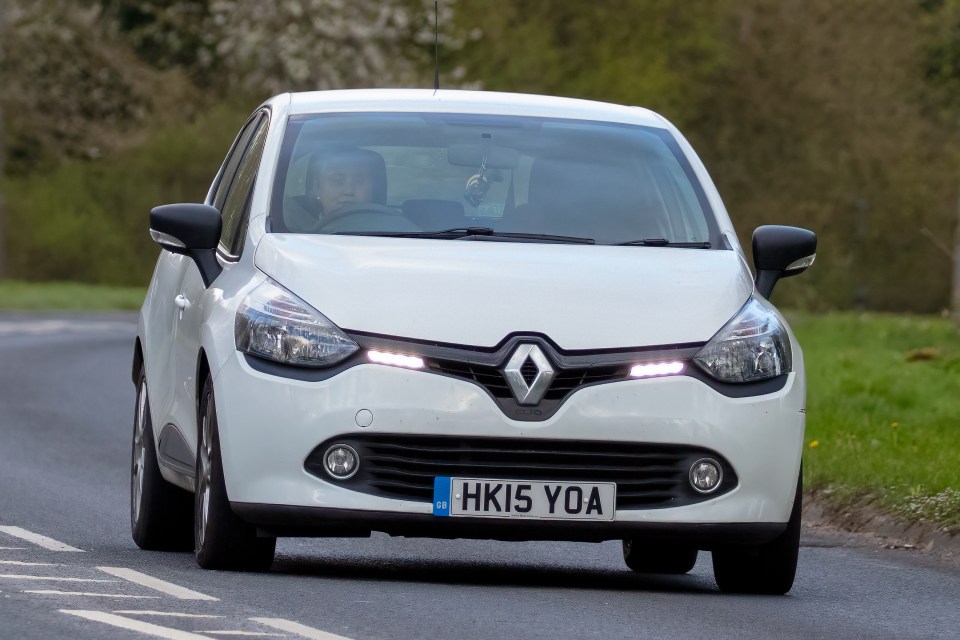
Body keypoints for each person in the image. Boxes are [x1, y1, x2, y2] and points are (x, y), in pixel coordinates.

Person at [284, 147, 387, 231]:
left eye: (359, 181)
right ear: (317, 188)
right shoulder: (291, 233)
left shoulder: (391, 230)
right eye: (338, 181)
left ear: (372, 189)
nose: (349, 191)